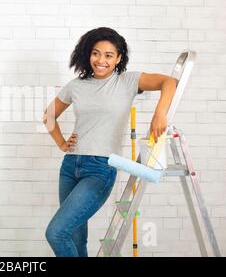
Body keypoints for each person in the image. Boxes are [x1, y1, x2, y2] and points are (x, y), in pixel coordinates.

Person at [42, 27, 178, 257]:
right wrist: (62, 144)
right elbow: (48, 116)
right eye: (96, 53)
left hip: (100, 169)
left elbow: (170, 82)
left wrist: (160, 112)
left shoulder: (127, 81)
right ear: (88, 54)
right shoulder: (76, 85)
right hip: (70, 166)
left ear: (118, 58)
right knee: (75, 237)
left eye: (108, 55)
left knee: (56, 232)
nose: (101, 60)